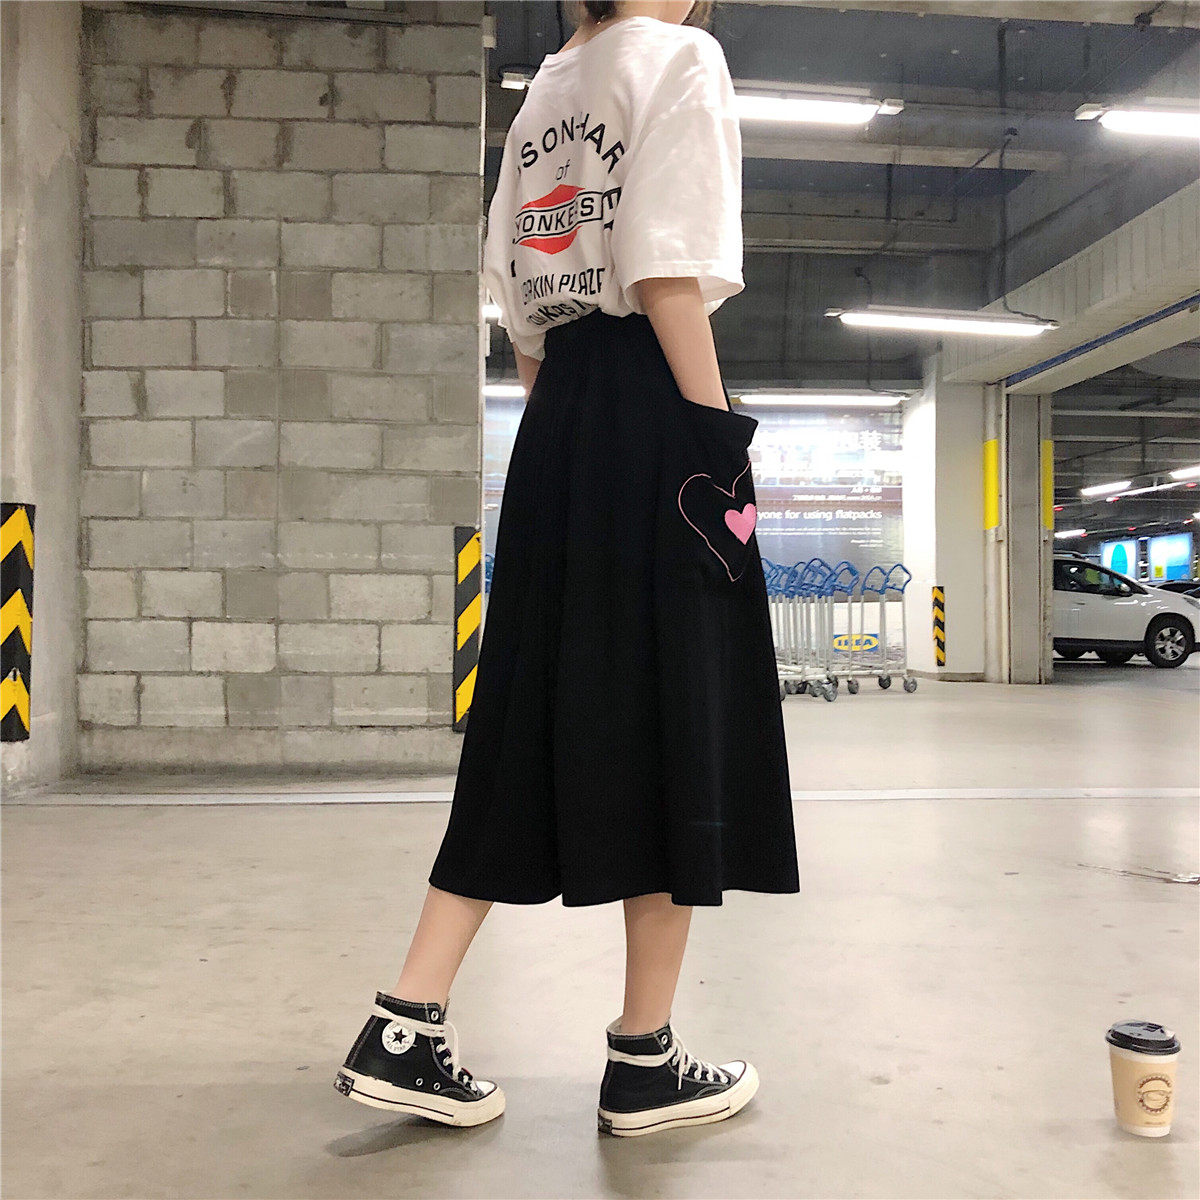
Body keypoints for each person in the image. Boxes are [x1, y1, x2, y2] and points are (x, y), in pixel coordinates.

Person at [334, 0, 800, 1138]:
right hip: (653, 401)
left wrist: (562, 448)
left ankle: (406, 1022)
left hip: (554, 426)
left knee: (526, 716)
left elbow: (521, 301)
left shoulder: (546, 86)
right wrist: (713, 443)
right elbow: (668, 270)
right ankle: (643, 1058)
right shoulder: (679, 56)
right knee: (678, 714)